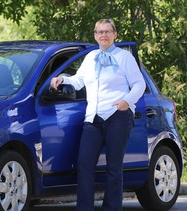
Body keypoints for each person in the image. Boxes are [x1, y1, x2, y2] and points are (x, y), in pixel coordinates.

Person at [51, 18, 146, 211]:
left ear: (115, 35)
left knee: (114, 167)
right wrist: (62, 79)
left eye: (107, 31)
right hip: (93, 118)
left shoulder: (124, 57)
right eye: (100, 32)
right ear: (95, 35)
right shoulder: (90, 57)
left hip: (117, 115)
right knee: (84, 164)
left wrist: (127, 102)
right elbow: (78, 81)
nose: (103, 35)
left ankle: (112, 208)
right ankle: (84, 208)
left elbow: (139, 84)